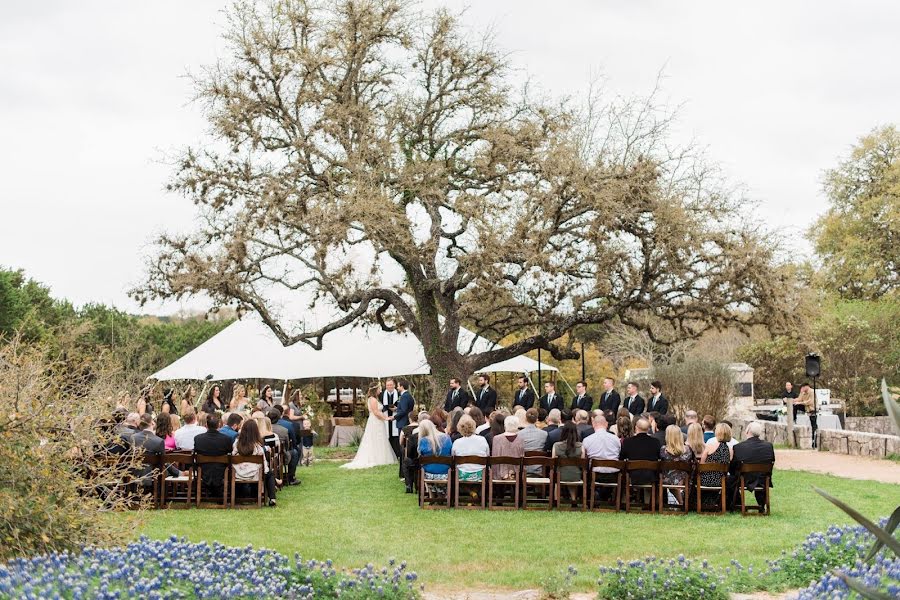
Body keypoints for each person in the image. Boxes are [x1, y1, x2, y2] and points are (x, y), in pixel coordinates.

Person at [341, 382, 398, 470]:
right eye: (379, 388)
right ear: (375, 390)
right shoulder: (372, 399)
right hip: (375, 422)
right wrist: (386, 418)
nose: (380, 390)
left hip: (378, 421)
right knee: (374, 438)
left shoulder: (375, 399)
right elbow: (376, 412)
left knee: (380, 438)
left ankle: (381, 458)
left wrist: (384, 417)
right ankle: (375, 458)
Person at [727, 421, 775, 509]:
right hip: (763, 479)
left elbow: (732, 467)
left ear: (747, 431)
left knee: (728, 480)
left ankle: (734, 504)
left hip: (743, 479)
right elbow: (771, 462)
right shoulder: (768, 446)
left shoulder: (738, 447)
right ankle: (761, 505)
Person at [232, 419, 277, 507]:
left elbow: (233, 457)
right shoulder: (258, 447)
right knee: (269, 473)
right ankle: (272, 498)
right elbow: (264, 467)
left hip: (238, 474)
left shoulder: (236, 444)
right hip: (255, 475)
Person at [193, 413, 234, 499]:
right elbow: (230, 452)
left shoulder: (198, 439)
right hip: (221, 471)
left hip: (204, 471)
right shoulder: (226, 439)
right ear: (219, 425)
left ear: (206, 425)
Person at [619, 417, 661, 485]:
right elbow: (659, 457)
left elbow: (621, 458)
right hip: (651, 476)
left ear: (636, 427)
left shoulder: (628, 442)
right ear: (648, 429)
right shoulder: (655, 442)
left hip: (633, 476)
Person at [659, 424, 693, 505]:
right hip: (683, 479)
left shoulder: (664, 450)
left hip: (667, 480)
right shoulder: (688, 450)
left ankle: (680, 502)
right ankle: (682, 501)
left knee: (668, 477)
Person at [418, 419, 452, 495]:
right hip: (445, 473)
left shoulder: (423, 441)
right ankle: (442, 495)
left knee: (424, 467)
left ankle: (432, 495)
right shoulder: (447, 438)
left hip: (429, 475)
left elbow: (421, 456)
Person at [452, 414, 490, 482]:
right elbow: (487, 454)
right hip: (480, 474)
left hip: (462, 474)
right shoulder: (482, 439)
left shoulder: (457, 442)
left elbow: (453, 457)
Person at [700, 422, 734, 498]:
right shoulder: (730, 450)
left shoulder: (709, 446)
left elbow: (701, 464)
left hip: (705, 479)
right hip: (721, 481)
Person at [552, 421, 584, 502]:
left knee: (557, 476)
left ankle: (556, 499)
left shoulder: (556, 446)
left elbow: (553, 463)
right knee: (572, 472)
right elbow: (582, 463)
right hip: (576, 476)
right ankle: (573, 499)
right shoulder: (581, 446)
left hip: (560, 476)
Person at [796, 382, 818, 447]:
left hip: (812, 409)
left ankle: (814, 442)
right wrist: (800, 393)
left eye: (803, 387)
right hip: (807, 409)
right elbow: (799, 399)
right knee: (795, 406)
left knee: (814, 425)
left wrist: (801, 403)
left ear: (806, 386)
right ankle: (794, 419)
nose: (802, 389)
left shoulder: (812, 392)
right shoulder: (803, 392)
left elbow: (810, 402)